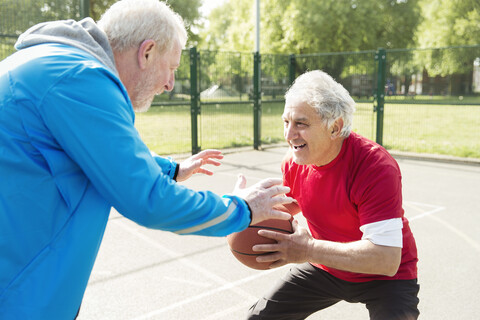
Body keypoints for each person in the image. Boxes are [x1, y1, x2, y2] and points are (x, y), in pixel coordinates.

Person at [0, 0, 293, 318]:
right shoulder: (79, 78)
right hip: (18, 295)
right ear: (147, 52)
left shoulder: (52, 63)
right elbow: (149, 201)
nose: (169, 84)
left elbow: (99, 151)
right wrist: (244, 209)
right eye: (171, 68)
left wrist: (172, 169)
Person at [247, 70, 420, 320]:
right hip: (326, 268)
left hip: (385, 278)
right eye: (286, 122)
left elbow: (386, 258)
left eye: (301, 123)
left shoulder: (374, 167)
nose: (289, 134)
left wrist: (308, 250)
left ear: (335, 127)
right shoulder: (295, 162)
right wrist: (243, 209)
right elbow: (282, 209)